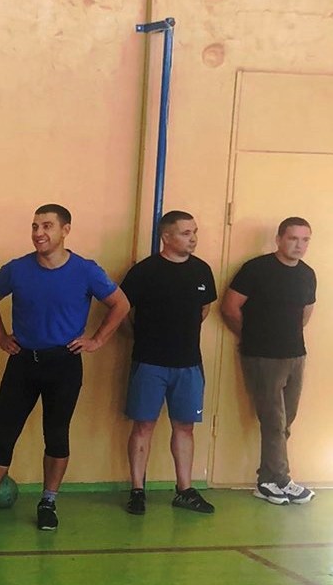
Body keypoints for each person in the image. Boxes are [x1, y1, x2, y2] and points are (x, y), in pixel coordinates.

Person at [0, 204, 129, 531]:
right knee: (4, 431)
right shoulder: (17, 269)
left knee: (56, 434)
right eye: (35, 226)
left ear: (65, 230)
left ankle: (48, 502)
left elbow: (120, 304)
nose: (39, 233)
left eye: (47, 226)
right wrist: (0, 337)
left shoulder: (86, 271)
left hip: (64, 364)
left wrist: (97, 340)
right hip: (23, 362)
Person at [120, 210, 217, 515]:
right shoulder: (144, 271)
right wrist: (140, 336)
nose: (193, 238)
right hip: (149, 363)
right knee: (143, 425)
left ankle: (184, 490)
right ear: (166, 236)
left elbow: (204, 309)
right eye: (186, 233)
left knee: (185, 427)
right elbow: (121, 310)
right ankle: (137, 491)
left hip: (189, 364)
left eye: (194, 232)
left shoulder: (202, 271)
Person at [220, 217, 317, 505]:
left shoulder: (307, 274)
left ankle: (270, 479)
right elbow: (230, 308)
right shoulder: (256, 269)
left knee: (286, 419)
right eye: (293, 238)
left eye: (305, 239)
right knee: (273, 420)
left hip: (295, 354)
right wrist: (253, 337)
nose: (299, 245)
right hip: (262, 356)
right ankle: (277, 480)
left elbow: (305, 314)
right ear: (279, 239)